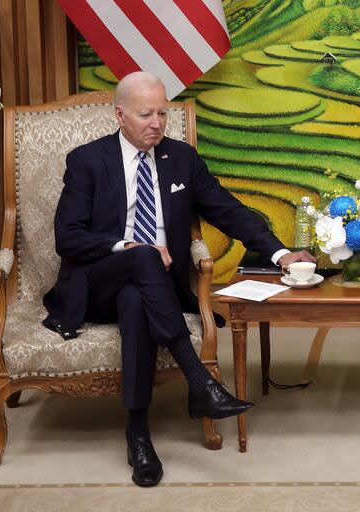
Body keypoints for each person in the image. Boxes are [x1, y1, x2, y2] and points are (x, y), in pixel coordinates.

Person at [42, 71, 315, 487]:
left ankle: (138, 434)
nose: (157, 123)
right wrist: (127, 247)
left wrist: (278, 252)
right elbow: (69, 238)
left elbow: (227, 209)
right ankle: (199, 381)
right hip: (98, 282)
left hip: (154, 289)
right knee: (142, 259)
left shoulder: (181, 158)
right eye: (145, 114)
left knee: (136, 299)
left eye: (162, 113)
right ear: (119, 115)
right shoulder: (88, 160)